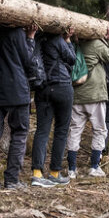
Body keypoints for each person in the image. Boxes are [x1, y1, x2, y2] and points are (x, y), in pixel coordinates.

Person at [0, 25, 37, 190]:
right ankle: (12, 179)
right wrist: (30, 39)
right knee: (20, 133)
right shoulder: (17, 32)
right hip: (17, 90)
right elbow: (29, 61)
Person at [66, 28, 109, 178]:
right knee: (100, 130)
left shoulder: (75, 44)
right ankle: (94, 167)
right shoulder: (95, 44)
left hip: (77, 95)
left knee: (75, 130)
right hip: (95, 95)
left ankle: (71, 169)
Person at [30, 28, 76, 187]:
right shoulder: (57, 39)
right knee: (61, 131)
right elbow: (72, 59)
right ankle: (55, 173)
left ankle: (37, 174)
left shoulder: (37, 39)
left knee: (42, 131)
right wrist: (68, 40)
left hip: (43, 88)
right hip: (62, 87)